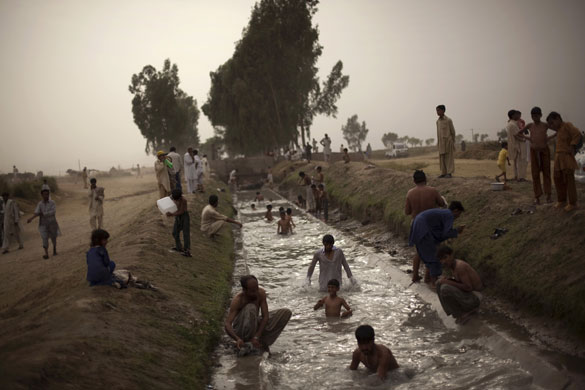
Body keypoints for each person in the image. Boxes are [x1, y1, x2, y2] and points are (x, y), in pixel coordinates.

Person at [224, 275, 292, 353]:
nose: (256, 293)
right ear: (244, 290)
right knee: (251, 307)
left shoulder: (261, 293)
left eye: (256, 289)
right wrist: (237, 339)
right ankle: (247, 342)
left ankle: (261, 341)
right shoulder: (238, 300)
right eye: (252, 291)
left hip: (254, 324)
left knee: (286, 313)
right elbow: (227, 324)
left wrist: (257, 336)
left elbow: (265, 317)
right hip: (241, 329)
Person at [409, 201, 465, 288]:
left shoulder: (443, 213)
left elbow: (440, 233)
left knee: (424, 253)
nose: (458, 217)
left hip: (418, 224)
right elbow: (446, 233)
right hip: (423, 229)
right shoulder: (449, 215)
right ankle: (434, 283)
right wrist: (456, 231)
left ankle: (421, 277)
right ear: (456, 210)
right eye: (459, 214)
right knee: (435, 256)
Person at [404, 170, 447, 283]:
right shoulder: (432, 191)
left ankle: (415, 275)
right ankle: (429, 277)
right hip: (431, 224)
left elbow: (407, 212)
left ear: (414, 181)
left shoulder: (410, 193)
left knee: (419, 251)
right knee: (432, 250)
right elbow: (442, 204)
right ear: (425, 179)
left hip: (417, 224)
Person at [436, 246, 483, 324]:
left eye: (445, 257)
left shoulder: (460, 267)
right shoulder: (452, 266)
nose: (444, 261)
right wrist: (448, 280)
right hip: (469, 296)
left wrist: (448, 282)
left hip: (475, 299)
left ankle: (462, 314)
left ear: (451, 255)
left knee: (445, 288)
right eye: (441, 259)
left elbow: (468, 287)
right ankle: (455, 313)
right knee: (439, 283)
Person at [547, 111, 582, 211]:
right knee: (558, 179)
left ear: (558, 118)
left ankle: (573, 203)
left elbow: (577, 134)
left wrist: (572, 145)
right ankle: (562, 200)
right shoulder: (558, 130)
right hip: (558, 157)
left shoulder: (567, 125)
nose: (551, 125)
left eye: (552, 122)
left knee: (569, 180)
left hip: (566, 156)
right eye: (550, 124)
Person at [520, 107, 555, 204]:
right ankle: (537, 197)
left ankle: (548, 196)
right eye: (532, 116)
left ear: (540, 115)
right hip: (534, 151)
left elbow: (557, 129)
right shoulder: (530, 125)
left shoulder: (545, 125)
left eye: (536, 115)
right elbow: (518, 134)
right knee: (535, 174)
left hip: (544, 151)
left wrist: (548, 138)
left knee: (546, 173)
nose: (534, 117)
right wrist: (529, 138)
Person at [27, 189, 60, 259]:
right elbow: (37, 212)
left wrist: (44, 214)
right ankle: (46, 253)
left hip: (52, 223)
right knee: (44, 238)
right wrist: (31, 218)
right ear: (42, 195)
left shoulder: (52, 203)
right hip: (43, 224)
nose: (46, 196)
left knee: (53, 237)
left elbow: (53, 212)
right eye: (45, 194)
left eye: (47, 194)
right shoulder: (40, 204)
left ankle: (54, 249)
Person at [166, 188, 191, 257]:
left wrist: (172, 214)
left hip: (184, 217)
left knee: (186, 234)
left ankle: (187, 250)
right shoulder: (172, 197)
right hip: (177, 217)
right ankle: (179, 247)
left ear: (180, 197)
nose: (175, 200)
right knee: (175, 232)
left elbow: (181, 211)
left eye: (176, 199)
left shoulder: (184, 200)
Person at [506, 110, 527, 181]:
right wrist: (524, 139)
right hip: (517, 145)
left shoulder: (511, 124)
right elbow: (517, 135)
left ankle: (517, 176)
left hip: (514, 145)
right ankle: (520, 177)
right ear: (512, 116)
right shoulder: (512, 124)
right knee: (519, 162)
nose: (518, 116)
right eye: (516, 114)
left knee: (516, 162)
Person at [436, 105, 456, 178]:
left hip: (448, 142)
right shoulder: (437, 121)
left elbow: (453, 132)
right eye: (436, 110)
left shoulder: (448, 120)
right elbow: (438, 133)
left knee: (449, 158)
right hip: (441, 143)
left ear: (443, 111)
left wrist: (452, 141)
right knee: (442, 158)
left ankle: (449, 173)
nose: (437, 112)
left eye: (438, 110)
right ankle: (443, 173)